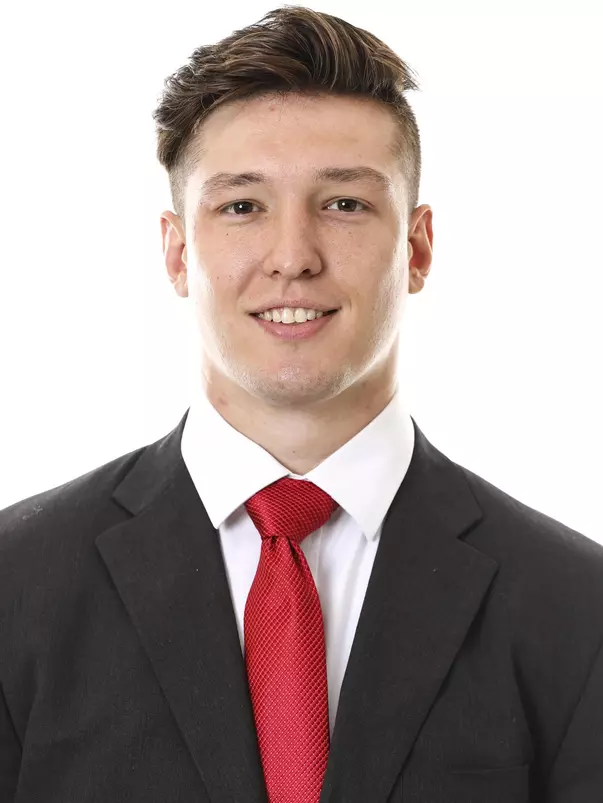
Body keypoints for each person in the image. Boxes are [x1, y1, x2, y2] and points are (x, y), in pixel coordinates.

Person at [0, 6, 601, 802]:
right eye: (242, 206)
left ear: (415, 248)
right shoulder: (16, 585)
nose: (292, 257)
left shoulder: (575, 607)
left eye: (344, 204)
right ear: (179, 252)